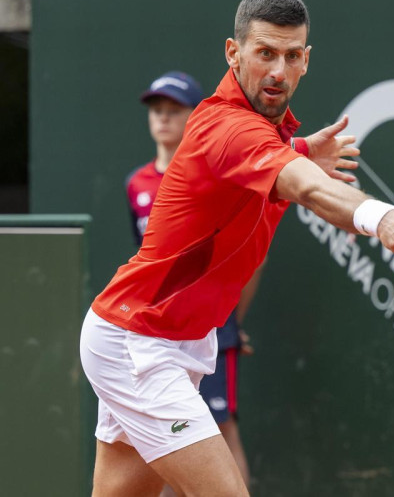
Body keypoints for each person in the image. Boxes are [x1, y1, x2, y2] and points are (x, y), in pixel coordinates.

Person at [79, 0, 394, 496]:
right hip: (140, 341)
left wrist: (297, 150)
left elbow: (287, 173)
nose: (278, 71)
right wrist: (381, 218)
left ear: (306, 60)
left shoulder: (267, 134)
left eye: (291, 56)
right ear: (234, 53)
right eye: (264, 53)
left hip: (168, 339)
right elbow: (310, 188)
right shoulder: (229, 129)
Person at [128, 70, 256, 493]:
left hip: (211, 323)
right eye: (156, 110)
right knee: (162, 435)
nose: (163, 118)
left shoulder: (213, 176)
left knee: (220, 430)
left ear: (195, 117)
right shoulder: (137, 185)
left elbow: (249, 254)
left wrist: (230, 316)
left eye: (174, 110)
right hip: (157, 331)